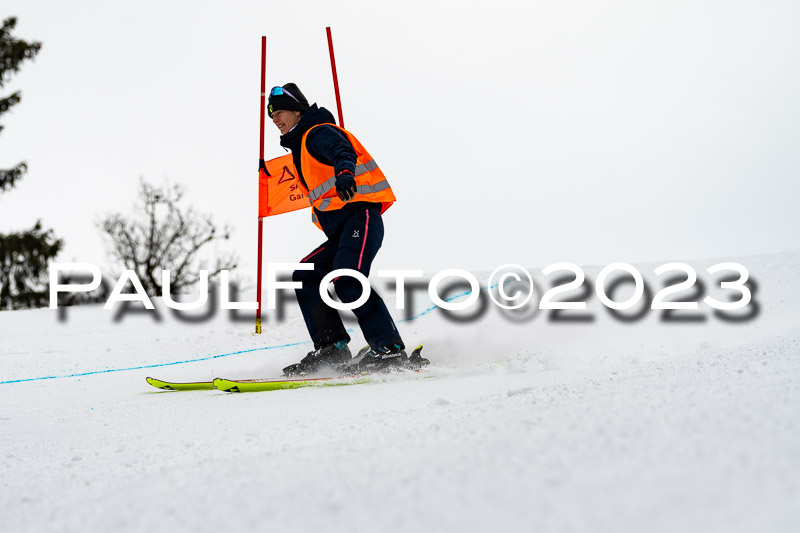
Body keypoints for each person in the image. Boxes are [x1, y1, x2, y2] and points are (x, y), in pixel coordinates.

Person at [268, 83, 406, 376]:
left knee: (347, 280)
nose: (276, 120)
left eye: (279, 112)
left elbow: (341, 149)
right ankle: (332, 348)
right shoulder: (301, 146)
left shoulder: (317, 131)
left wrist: (345, 173)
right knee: (305, 274)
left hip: (361, 218)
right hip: (342, 230)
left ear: (297, 111)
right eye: (272, 116)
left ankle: (389, 349)